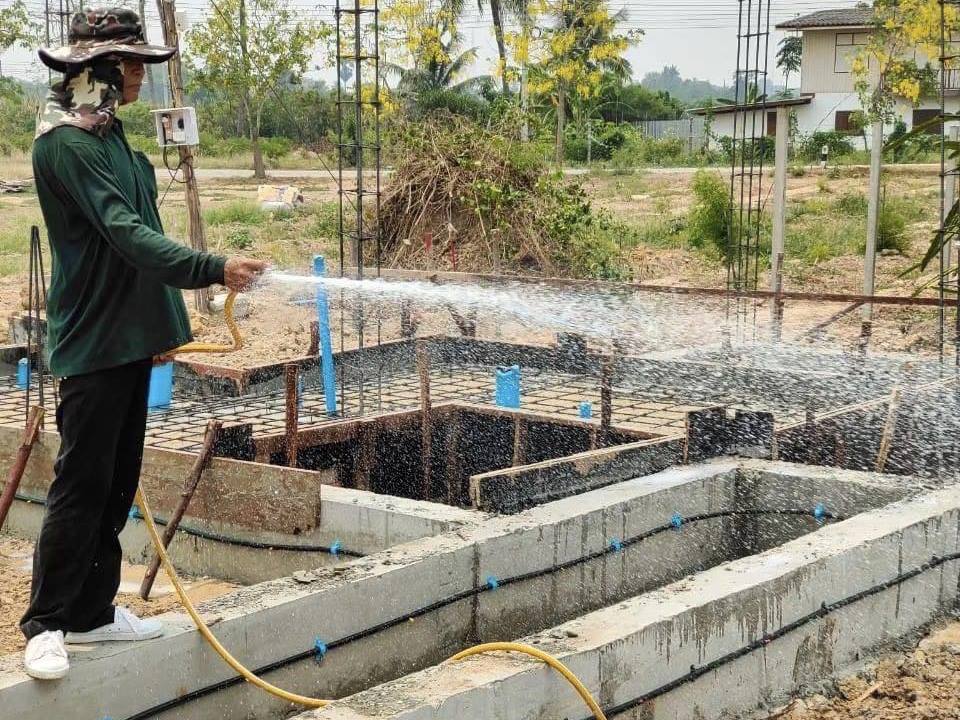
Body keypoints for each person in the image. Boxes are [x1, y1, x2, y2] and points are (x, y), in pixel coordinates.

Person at [21, 7, 267, 680]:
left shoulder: (115, 143)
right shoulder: (66, 147)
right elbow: (125, 233)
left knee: (118, 481)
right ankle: (46, 621)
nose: (137, 76)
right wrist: (211, 267)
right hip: (94, 343)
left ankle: (94, 614)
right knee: (81, 483)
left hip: (130, 340)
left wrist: (162, 327)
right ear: (94, 71)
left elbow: (139, 239)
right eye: (129, 64)